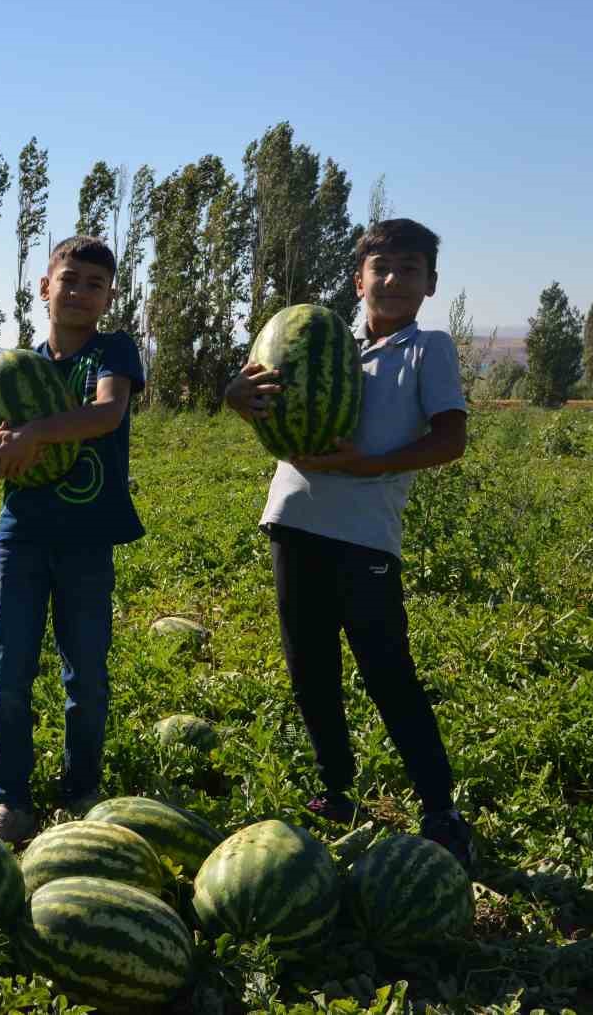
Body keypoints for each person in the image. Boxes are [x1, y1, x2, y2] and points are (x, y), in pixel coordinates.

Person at [225, 217, 476, 870]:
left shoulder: (430, 349)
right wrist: (235, 396)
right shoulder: (318, 334)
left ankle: (438, 804)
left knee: (388, 668)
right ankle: (337, 789)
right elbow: (260, 396)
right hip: (292, 519)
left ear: (430, 283)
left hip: (365, 534)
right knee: (309, 667)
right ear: (358, 276)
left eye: (410, 270)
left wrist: (374, 464)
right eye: (381, 268)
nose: (393, 280)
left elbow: (451, 438)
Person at [0, 235, 146, 845]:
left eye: (94, 285)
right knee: (8, 671)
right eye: (68, 280)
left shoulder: (112, 351)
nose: (79, 293)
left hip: (86, 540)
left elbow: (106, 414)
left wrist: (34, 435)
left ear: (108, 297)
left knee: (86, 675)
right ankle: (10, 800)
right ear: (44, 288)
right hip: (20, 538)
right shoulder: (13, 371)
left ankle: (81, 792)